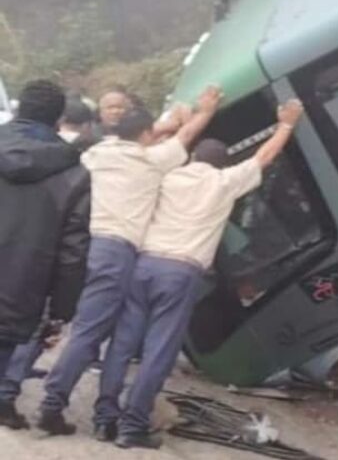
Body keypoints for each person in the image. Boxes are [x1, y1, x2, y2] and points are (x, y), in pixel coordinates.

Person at [96, 99, 305, 449]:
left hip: (143, 265)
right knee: (158, 351)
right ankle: (133, 426)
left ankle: (104, 419)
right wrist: (286, 124)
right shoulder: (224, 182)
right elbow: (263, 158)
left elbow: (146, 149)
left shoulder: (166, 176)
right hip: (179, 273)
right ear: (222, 163)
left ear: (193, 158)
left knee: (122, 343)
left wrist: (181, 123)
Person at [36, 85, 222, 437]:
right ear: (148, 136)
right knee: (90, 333)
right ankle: (52, 404)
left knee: (77, 325)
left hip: (89, 246)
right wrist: (205, 111)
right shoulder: (151, 161)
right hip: (117, 254)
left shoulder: (100, 153)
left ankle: (77, 406)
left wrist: (169, 124)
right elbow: (185, 136)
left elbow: (160, 134)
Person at [0, 81, 91, 429]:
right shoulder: (74, 173)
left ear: (20, 108)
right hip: (20, 289)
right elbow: (73, 251)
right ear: (58, 120)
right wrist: (62, 309)